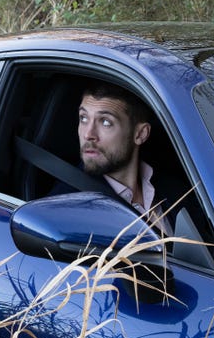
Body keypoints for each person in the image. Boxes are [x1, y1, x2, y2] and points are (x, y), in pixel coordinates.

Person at [54, 81, 174, 235]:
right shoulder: (66, 206)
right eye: (83, 118)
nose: (88, 134)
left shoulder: (176, 189)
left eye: (105, 122)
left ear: (140, 134)